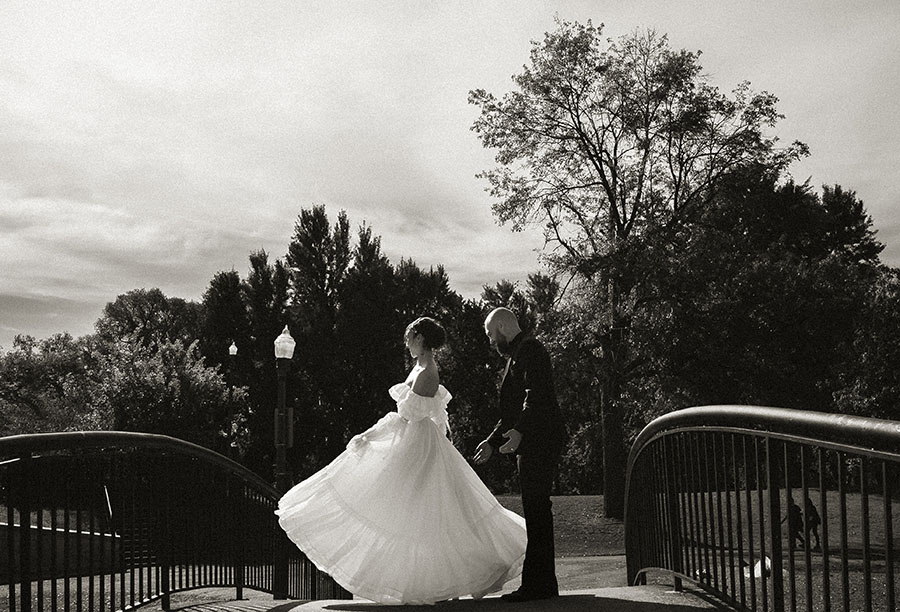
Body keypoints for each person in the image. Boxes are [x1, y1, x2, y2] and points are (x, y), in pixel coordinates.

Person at [276, 317, 526, 605]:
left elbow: (405, 417)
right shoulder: (420, 369)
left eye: (409, 338)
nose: (407, 344)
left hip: (418, 446)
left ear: (419, 338)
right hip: (414, 441)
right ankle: (425, 583)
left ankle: (437, 582)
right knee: (409, 513)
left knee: (421, 514)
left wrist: (369, 435)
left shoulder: (427, 373)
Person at [474, 307, 566, 602]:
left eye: (490, 333)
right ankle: (542, 585)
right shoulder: (519, 354)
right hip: (534, 440)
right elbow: (512, 411)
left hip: (540, 440)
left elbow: (535, 396)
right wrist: (492, 441)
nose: (491, 340)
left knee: (537, 510)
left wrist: (520, 431)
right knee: (536, 510)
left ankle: (539, 586)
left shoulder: (531, 350)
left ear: (502, 326)